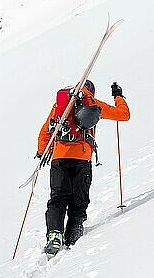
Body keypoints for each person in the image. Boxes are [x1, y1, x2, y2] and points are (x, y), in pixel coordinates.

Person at [37, 79, 130, 257]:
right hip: (82, 160)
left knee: (57, 198)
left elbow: (45, 132)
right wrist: (118, 96)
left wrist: (42, 153)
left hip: (60, 158)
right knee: (79, 200)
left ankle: (55, 234)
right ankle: (74, 235)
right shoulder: (93, 104)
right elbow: (123, 115)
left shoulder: (62, 105)